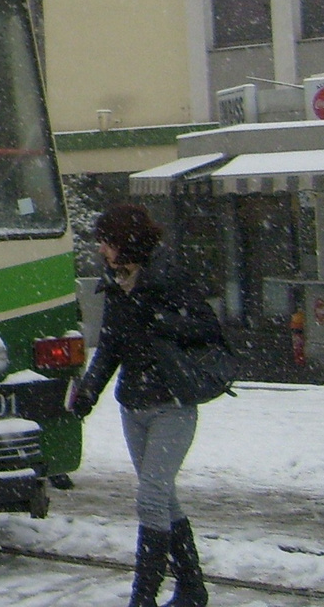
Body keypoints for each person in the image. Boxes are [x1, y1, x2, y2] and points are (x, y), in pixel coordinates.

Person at [69, 203, 222, 607]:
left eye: (106, 242)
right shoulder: (116, 283)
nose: (101, 250)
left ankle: (142, 598)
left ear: (126, 242)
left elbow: (209, 329)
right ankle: (191, 586)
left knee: (151, 497)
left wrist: (162, 321)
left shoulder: (169, 278)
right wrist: (89, 391)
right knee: (163, 497)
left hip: (171, 405)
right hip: (133, 405)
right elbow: (110, 346)